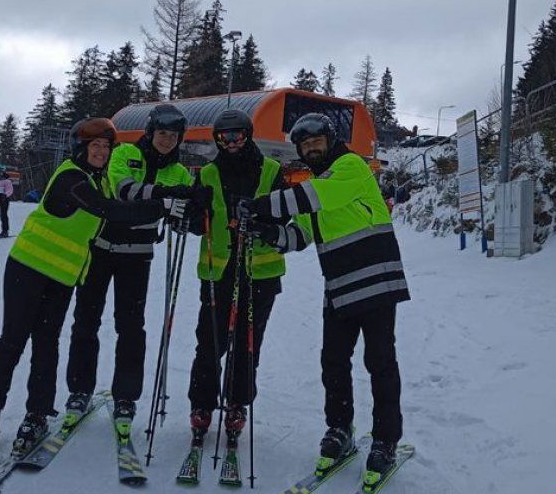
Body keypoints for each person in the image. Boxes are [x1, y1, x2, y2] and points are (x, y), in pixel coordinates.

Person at [0, 117, 185, 463]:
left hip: (63, 277)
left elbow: (117, 204)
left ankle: (37, 414)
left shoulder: (99, 180)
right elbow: (109, 210)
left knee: (47, 344)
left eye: (105, 147)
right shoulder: (72, 176)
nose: (100, 152)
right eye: (94, 146)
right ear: (81, 149)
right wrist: (162, 205)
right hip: (28, 268)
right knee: (13, 339)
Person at [238, 113, 410, 486]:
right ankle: (340, 428)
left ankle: (385, 441)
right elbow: (298, 236)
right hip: (340, 287)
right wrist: (266, 231)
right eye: (304, 144)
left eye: (316, 141)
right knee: (333, 361)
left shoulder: (350, 168)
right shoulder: (315, 186)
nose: (311, 148)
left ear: (330, 141)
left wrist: (261, 205)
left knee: (380, 362)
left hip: (377, 282)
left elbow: (315, 197)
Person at [63, 103, 207, 437]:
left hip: (137, 256)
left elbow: (181, 216)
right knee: (86, 321)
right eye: (161, 134)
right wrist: (167, 198)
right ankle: (79, 389)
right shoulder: (125, 152)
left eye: (173, 135)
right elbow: (123, 190)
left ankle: (126, 396)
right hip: (99, 249)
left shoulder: (181, 173)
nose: (166, 140)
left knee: (131, 327)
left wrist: (190, 216)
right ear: (150, 132)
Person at [182, 109, 289, 450]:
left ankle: (237, 402)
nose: (230, 143)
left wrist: (261, 220)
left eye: (237, 136)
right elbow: (199, 220)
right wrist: (192, 216)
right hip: (220, 270)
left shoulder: (271, 171)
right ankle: (202, 402)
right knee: (210, 341)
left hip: (260, 271)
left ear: (248, 135)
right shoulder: (209, 173)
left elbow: (287, 218)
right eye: (223, 137)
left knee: (247, 344)